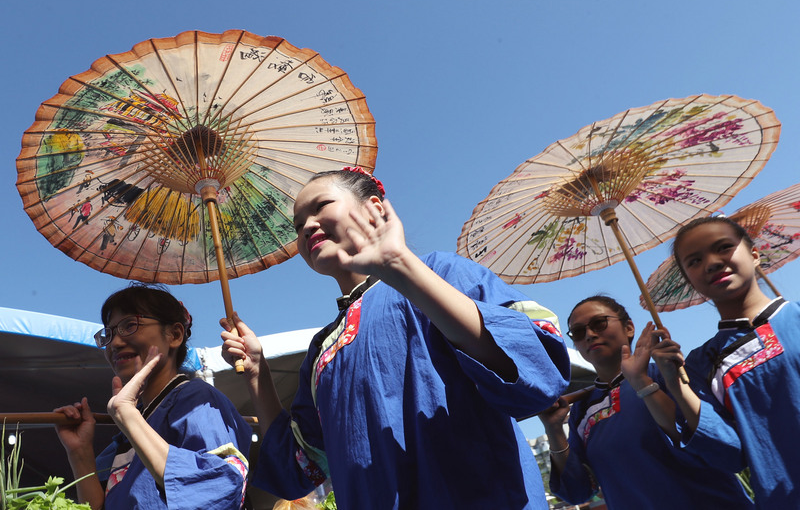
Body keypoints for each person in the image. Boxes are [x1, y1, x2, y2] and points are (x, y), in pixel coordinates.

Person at [220, 167, 571, 509]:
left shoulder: (442, 272)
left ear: (374, 208)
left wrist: (399, 264)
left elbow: (537, 369)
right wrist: (257, 375)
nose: (306, 226)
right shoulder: (321, 351)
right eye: (298, 226)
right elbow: (295, 470)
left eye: (320, 207)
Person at [539, 295, 754, 509]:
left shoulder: (670, 374)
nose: (589, 334)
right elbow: (577, 492)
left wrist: (644, 383)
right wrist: (554, 430)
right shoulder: (581, 410)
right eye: (578, 332)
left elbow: (725, 449)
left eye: (599, 323)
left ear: (629, 327)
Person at [55, 284, 252, 510]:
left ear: (175, 335)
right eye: (108, 334)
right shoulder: (126, 434)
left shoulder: (196, 400)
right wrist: (80, 452)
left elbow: (219, 488)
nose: (115, 343)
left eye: (130, 325)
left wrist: (127, 414)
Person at [649, 216, 800, 507]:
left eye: (724, 247)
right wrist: (676, 386)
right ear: (689, 280)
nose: (712, 263)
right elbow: (729, 456)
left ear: (754, 254)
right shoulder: (698, 365)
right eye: (694, 261)